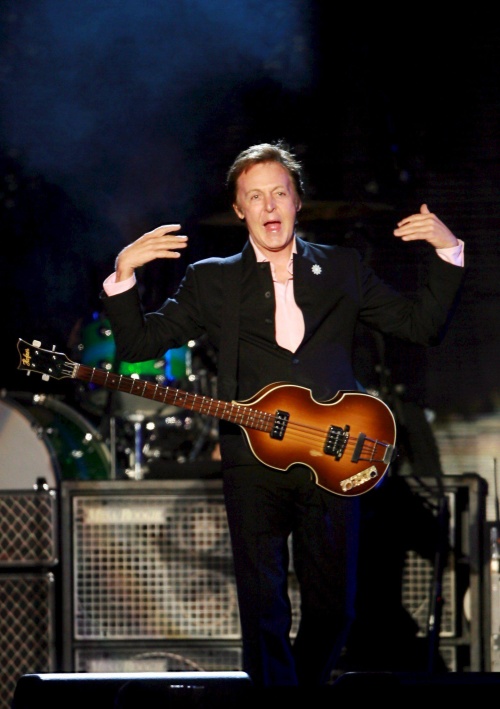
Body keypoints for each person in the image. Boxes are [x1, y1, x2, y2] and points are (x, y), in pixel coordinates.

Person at [100, 141, 465, 688]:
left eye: (279, 193)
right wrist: (124, 273)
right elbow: (138, 344)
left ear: (297, 201)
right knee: (264, 609)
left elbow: (421, 326)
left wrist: (448, 250)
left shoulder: (341, 267)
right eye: (255, 197)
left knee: (335, 610)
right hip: (253, 459)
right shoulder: (212, 279)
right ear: (239, 209)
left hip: (333, 454)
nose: (269, 206)